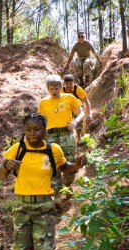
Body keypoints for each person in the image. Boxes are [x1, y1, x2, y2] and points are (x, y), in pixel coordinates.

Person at [0, 113, 86, 250]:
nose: (32, 133)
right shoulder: (17, 149)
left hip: (44, 207)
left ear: (44, 130)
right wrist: (7, 164)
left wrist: (76, 165)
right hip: (22, 207)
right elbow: (1, 175)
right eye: (28, 129)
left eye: (36, 129)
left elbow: (64, 167)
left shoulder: (52, 150)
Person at [37, 74, 85, 203]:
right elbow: (40, 120)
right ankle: (57, 195)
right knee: (52, 165)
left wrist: (75, 122)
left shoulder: (69, 97)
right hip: (51, 137)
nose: (54, 91)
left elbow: (82, 112)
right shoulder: (43, 102)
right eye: (51, 89)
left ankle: (68, 187)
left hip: (67, 135)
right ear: (48, 89)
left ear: (61, 87)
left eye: (57, 88)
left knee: (70, 164)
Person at [62, 74, 91, 145]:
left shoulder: (77, 89)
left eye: (70, 83)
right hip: (67, 108)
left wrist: (89, 114)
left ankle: (79, 138)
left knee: (77, 119)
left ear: (73, 82)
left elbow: (87, 102)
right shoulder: (61, 90)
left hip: (77, 107)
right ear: (64, 83)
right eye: (66, 83)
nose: (68, 85)